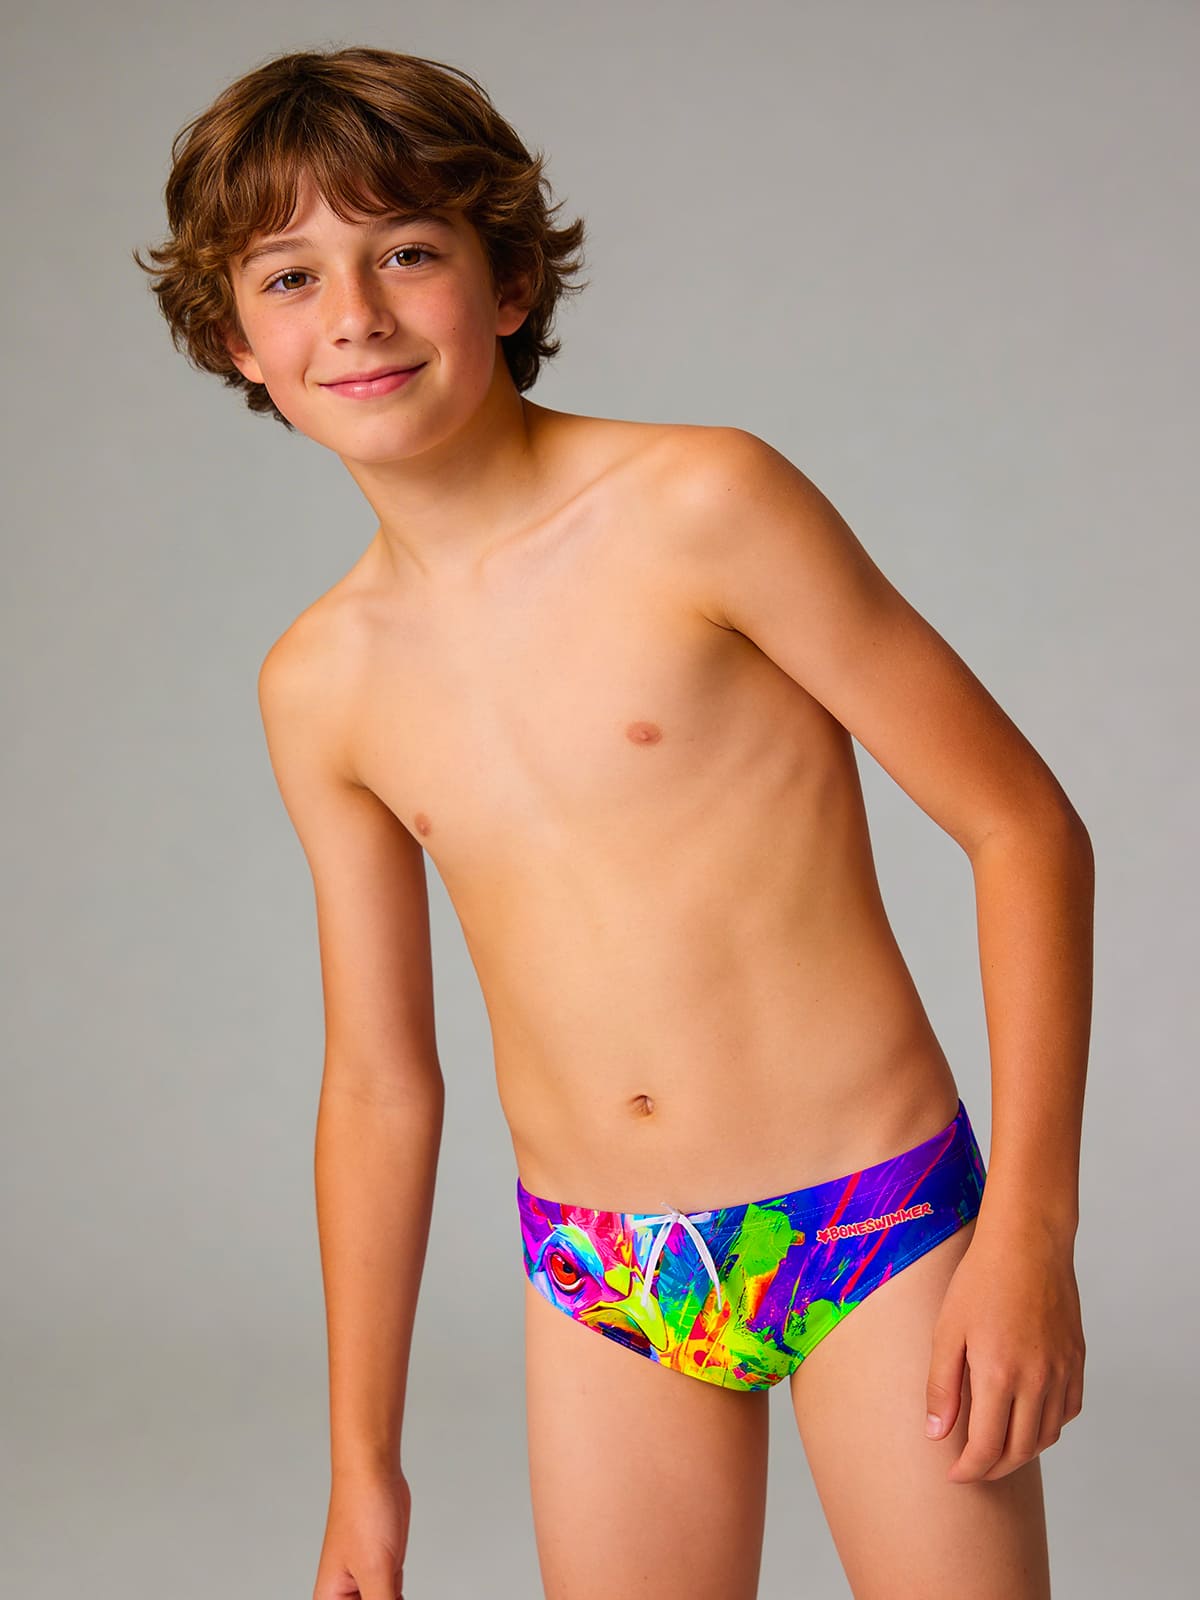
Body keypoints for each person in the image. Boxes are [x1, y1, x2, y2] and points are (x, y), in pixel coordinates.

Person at [135, 44, 1092, 1600]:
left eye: (407, 252)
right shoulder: (319, 683)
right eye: (291, 277)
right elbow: (377, 1082)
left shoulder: (702, 506)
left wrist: (1031, 1233)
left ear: (508, 280)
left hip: (876, 1225)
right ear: (237, 340)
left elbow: (1024, 826)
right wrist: (363, 1468)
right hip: (603, 1272)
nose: (355, 314)